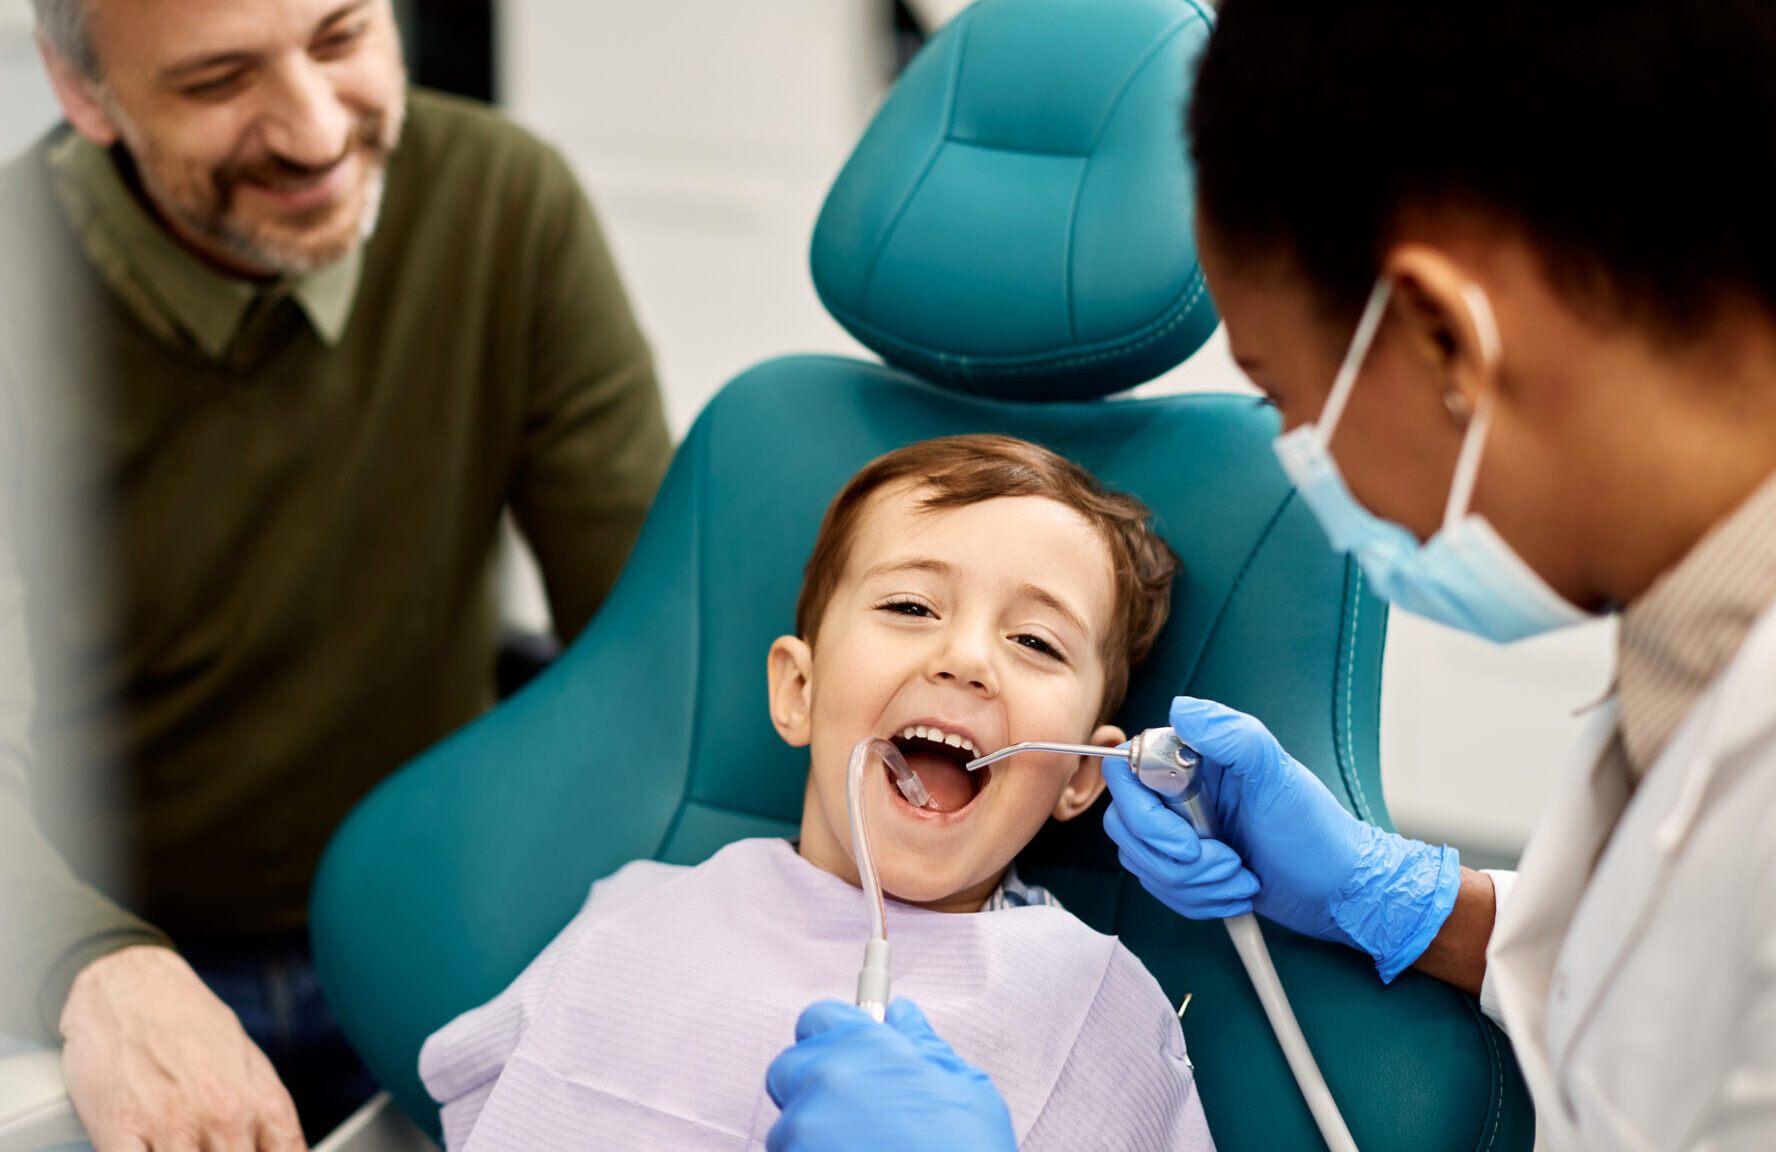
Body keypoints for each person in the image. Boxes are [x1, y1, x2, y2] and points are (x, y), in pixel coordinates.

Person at [761, 1, 1776, 1148]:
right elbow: (1669, 988)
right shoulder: (1699, 650)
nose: (1305, 461)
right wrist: (1419, 905)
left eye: (1285, 396)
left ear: (1443, 337)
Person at [0, 0, 671, 1146]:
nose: (311, 134)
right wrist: (95, 968)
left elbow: (649, 658)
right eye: (216, 83)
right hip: (105, 956)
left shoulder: (505, 202)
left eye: (343, 37)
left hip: (434, 921)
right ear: (82, 91)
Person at [416, 435, 1214, 1151]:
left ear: (1081, 774)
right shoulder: (630, 920)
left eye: (1035, 641)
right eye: (911, 605)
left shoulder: (1095, 1009)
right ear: (799, 689)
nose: (966, 658)